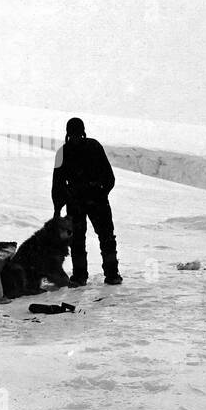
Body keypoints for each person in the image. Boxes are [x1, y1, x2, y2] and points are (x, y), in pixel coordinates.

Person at [51, 117, 121, 286]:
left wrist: (101, 194)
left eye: (77, 134)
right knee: (78, 240)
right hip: (79, 202)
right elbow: (58, 183)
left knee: (106, 237)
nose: (75, 137)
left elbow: (109, 177)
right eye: (73, 134)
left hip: (93, 201)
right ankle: (80, 275)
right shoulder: (67, 151)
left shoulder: (91, 147)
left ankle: (111, 274)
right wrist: (57, 207)